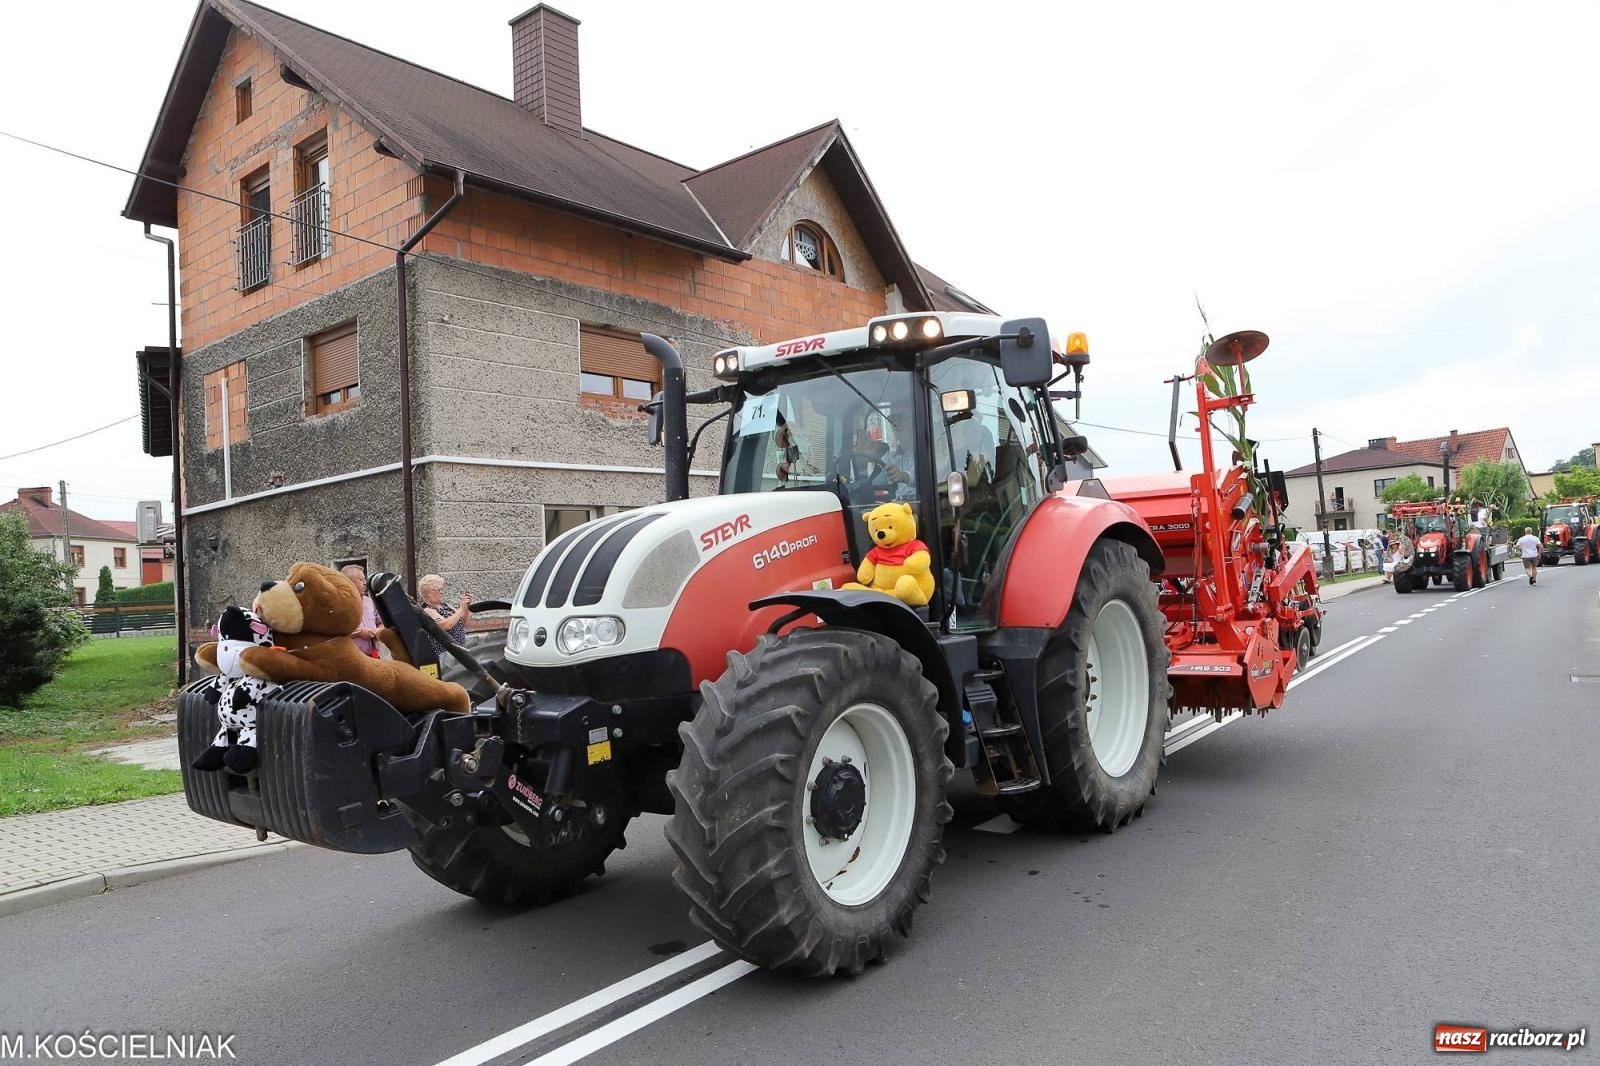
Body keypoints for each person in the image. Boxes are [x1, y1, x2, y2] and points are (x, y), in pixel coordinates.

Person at [419, 573, 471, 651]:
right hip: (446, 654)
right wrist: (461, 609)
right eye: (439, 590)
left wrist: (466, 607)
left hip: (459, 652)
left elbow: (464, 621)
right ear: (429, 593)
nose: (442, 592)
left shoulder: (445, 605)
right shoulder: (427, 610)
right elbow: (446, 625)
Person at [341, 564, 382, 657]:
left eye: (364, 579)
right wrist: (360, 632)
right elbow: (336, 632)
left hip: (373, 655)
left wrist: (378, 631)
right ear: (349, 582)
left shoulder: (369, 601)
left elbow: (380, 622)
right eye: (361, 580)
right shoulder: (340, 603)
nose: (365, 583)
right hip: (352, 656)